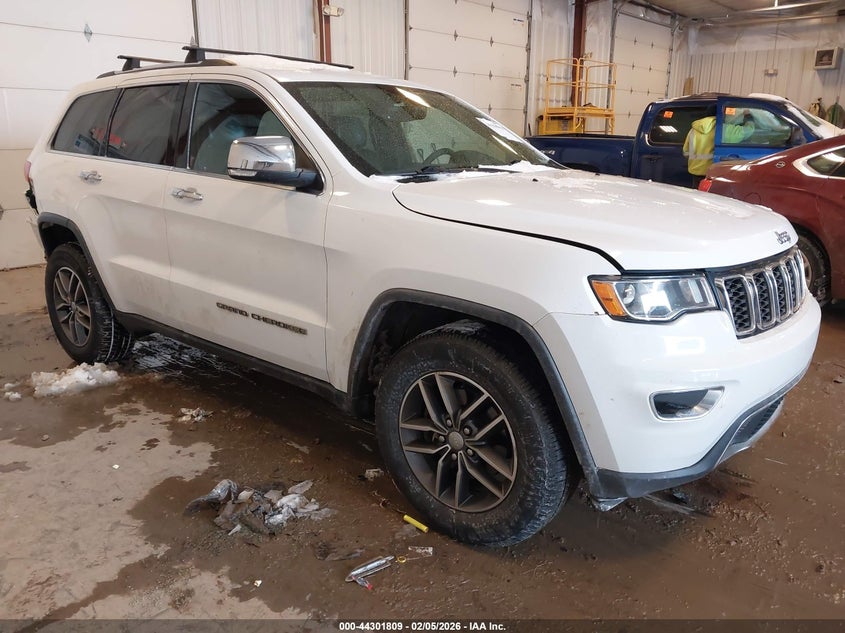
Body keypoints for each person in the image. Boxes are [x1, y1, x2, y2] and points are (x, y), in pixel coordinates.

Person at [683, 112, 755, 188]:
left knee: (697, 197)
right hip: (712, 173)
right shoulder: (723, 129)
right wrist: (748, 116)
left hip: (695, 173)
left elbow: (686, 152)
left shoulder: (693, 130)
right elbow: (748, 130)